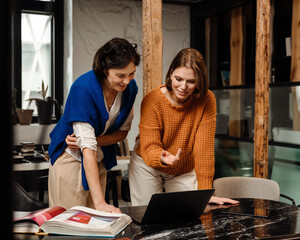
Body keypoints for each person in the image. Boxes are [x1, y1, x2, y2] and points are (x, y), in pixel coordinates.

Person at [128, 48, 238, 206]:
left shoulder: (206, 100)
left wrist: (204, 194)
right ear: (171, 73)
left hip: (183, 167)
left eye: (191, 81)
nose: (183, 86)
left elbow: (204, 150)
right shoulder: (152, 100)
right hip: (147, 165)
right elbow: (149, 145)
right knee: (147, 217)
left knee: (191, 214)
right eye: (178, 78)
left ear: (199, 80)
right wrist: (162, 156)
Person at [47, 38, 140, 213]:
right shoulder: (83, 88)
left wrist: (94, 140)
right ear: (105, 70)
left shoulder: (129, 89)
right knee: (70, 223)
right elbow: (86, 149)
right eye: (120, 75)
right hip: (70, 159)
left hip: (97, 158)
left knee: (95, 225)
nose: (127, 81)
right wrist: (100, 203)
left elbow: (122, 133)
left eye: (132, 74)